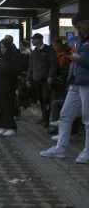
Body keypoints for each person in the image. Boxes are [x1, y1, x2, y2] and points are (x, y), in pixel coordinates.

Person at [40, 12, 89, 163]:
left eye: (80, 27)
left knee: (87, 119)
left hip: (86, 82)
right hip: (76, 81)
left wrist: (79, 59)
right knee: (65, 114)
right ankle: (60, 147)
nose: (78, 30)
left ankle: (87, 151)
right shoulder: (82, 39)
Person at [26, 33, 58, 127]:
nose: (32, 41)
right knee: (40, 99)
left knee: (46, 98)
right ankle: (44, 117)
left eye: (34, 39)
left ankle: (47, 120)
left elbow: (53, 64)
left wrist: (50, 76)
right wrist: (28, 78)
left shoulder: (48, 49)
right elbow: (31, 66)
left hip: (45, 79)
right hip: (36, 80)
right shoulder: (34, 52)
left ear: (39, 40)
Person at [0, 39, 21, 137]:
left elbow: (14, 70)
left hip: (8, 86)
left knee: (7, 107)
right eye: (1, 47)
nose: (2, 49)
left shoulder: (13, 57)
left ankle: (10, 127)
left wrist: (0, 66)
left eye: (4, 47)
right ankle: (1, 126)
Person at [19, 40, 31, 109]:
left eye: (22, 45)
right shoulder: (19, 53)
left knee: (24, 88)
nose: (20, 47)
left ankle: (24, 103)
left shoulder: (28, 53)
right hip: (21, 72)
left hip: (25, 72)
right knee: (22, 88)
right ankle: (23, 102)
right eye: (20, 45)